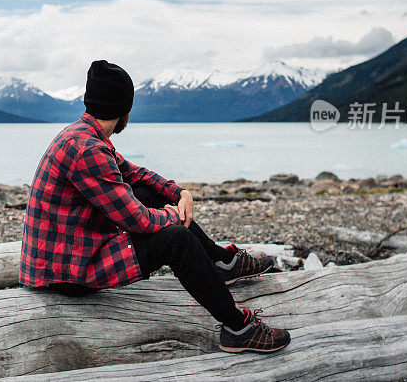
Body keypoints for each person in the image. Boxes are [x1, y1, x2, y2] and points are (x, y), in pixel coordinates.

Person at [20, 59, 290, 353]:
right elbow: (138, 221)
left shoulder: (83, 135)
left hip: (70, 254)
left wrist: (179, 193)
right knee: (178, 241)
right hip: (68, 272)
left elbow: (135, 174)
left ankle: (219, 262)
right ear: (124, 109)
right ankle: (239, 328)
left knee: (146, 192)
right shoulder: (89, 149)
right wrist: (173, 215)